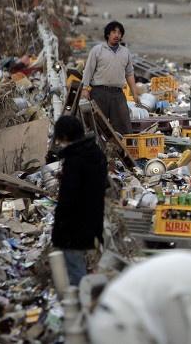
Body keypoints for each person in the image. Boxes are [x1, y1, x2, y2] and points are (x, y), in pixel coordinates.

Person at [51, 115, 107, 286]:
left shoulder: (74, 160)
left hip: (74, 226)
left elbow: (68, 198)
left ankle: (83, 307)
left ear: (65, 137)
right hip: (94, 220)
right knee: (89, 266)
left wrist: (59, 227)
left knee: (76, 272)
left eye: (60, 138)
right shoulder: (95, 153)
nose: (59, 142)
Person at [81, 21, 139, 135]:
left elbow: (129, 74)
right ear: (108, 34)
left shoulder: (125, 52)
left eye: (119, 33)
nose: (117, 35)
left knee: (124, 125)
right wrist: (84, 88)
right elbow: (88, 70)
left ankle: (123, 151)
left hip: (117, 94)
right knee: (96, 124)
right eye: (114, 32)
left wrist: (135, 93)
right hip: (99, 93)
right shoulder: (97, 50)